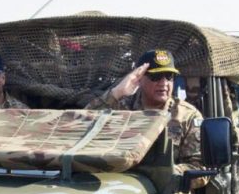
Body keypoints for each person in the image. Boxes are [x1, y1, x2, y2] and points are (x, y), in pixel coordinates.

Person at [85, 49, 203, 178]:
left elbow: (199, 166)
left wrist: (164, 173)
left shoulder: (187, 116)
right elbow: (81, 125)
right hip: (118, 185)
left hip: (168, 190)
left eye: (169, 77)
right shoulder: (120, 107)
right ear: (140, 79)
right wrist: (117, 92)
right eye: (155, 77)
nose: (163, 83)